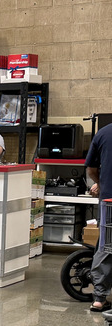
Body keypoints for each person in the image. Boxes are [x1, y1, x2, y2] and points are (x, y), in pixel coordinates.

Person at [88, 122, 112, 312]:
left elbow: (91, 169)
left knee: (106, 245)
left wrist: (100, 183)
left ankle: (99, 297)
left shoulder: (103, 133)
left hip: (109, 199)